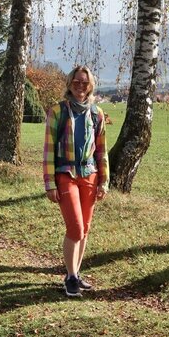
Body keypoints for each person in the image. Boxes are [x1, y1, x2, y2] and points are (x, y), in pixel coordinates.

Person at [42, 65, 109, 298]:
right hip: (65, 174)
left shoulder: (97, 113)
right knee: (75, 227)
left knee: (86, 229)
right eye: (76, 82)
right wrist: (50, 183)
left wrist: (104, 180)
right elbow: (49, 151)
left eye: (85, 83)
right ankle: (70, 277)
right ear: (69, 84)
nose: (80, 86)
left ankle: (76, 273)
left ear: (91, 86)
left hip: (90, 175)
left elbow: (101, 150)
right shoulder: (57, 112)